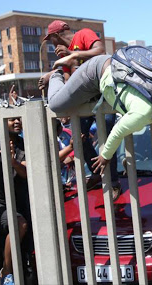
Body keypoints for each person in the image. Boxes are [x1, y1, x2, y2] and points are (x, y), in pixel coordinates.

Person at [42, 53, 152, 175]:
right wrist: (104, 156)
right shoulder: (144, 112)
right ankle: (57, 74)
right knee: (56, 105)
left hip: (113, 73)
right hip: (95, 73)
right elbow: (118, 131)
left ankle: (74, 67)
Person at [39, 20, 122, 200]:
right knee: (79, 139)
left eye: (51, 39)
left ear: (56, 35)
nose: (52, 45)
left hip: (103, 98)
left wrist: (72, 54)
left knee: (106, 138)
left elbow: (101, 52)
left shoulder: (83, 34)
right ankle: (96, 174)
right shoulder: (65, 55)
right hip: (85, 104)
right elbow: (70, 83)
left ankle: (113, 182)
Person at [0, 118, 28, 285]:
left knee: (23, 254)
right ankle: (6, 270)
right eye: (12, 119)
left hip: (18, 202)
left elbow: (26, 172)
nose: (17, 122)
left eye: (19, 118)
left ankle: (9, 272)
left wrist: (13, 162)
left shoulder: (24, 142)